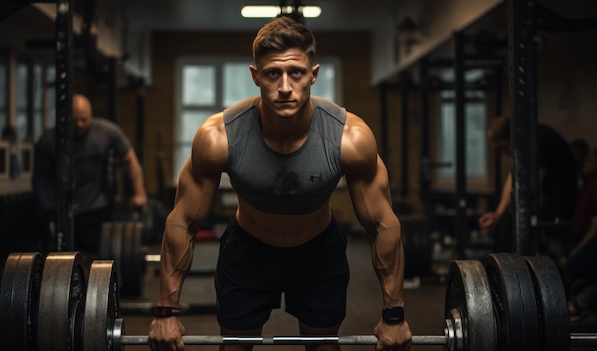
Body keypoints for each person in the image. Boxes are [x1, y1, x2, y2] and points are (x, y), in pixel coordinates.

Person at [148, 17, 412, 351]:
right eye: (273, 73)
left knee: (323, 346)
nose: (285, 86)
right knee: (235, 346)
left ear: (313, 75)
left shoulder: (351, 139)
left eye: (296, 73)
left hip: (318, 254)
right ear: (256, 76)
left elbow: (382, 224)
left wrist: (394, 314)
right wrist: (165, 310)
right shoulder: (218, 138)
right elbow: (183, 221)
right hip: (248, 254)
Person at [32, 93, 147, 255]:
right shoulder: (48, 140)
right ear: (65, 118)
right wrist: (48, 208)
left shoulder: (108, 132)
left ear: (91, 116)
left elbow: (131, 160)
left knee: (100, 263)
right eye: (74, 120)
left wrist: (139, 193)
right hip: (60, 212)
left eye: (84, 119)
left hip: (96, 211)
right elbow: (39, 178)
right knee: (58, 262)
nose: (79, 124)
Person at [478, 116, 579, 254]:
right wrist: (497, 215)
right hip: (550, 199)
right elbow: (513, 178)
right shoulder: (524, 145)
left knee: (553, 249)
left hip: (561, 202)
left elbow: (531, 184)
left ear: (511, 138)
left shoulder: (538, 140)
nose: (504, 153)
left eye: (504, 147)